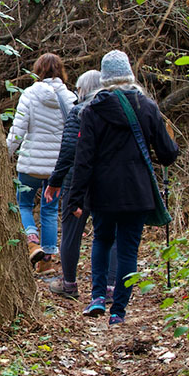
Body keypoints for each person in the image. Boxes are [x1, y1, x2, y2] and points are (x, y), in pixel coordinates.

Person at [66, 50, 178, 325]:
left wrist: (75, 198)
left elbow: (84, 159)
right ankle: (118, 311)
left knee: (102, 240)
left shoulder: (92, 110)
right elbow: (167, 154)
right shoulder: (148, 107)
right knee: (128, 249)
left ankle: (96, 298)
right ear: (129, 75)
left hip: (102, 192)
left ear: (104, 79)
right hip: (137, 193)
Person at [43, 70, 118, 299]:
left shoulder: (78, 112)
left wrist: (55, 181)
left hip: (77, 182)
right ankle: (111, 286)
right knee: (109, 233)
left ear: (82, 90)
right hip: (108, 180)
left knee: (71, 233)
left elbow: (68, 151)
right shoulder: (115, 112)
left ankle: (69, 283)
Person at [6, 53, 77, 273]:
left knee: (24, 204)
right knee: (49, 209)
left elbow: (18, 131)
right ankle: (46, 262)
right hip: (58, 166)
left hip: (31, 164)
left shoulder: (29, 94)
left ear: (38, 70)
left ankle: (31, 240)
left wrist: (6, 152)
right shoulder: (69, 97)